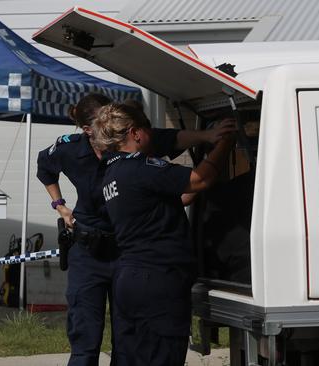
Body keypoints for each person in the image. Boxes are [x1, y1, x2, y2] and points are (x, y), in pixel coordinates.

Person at [36, 93, 234, 366]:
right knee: (87, 342)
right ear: (87, 129)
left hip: (125, 258)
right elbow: (198, 180)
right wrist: (60, 205)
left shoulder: (118, 165)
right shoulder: (94, 154)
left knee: (127, 348)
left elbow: (173, 141)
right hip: (105, 258)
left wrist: (207, 136)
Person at [94, 103, 236, 366]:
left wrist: (205, 150)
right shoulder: (141, 167)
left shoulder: (112, 174)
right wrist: (224, 144)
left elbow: (181, 195)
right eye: (148, 129)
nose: (153, 135)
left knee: (130, 357)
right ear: (136, 133)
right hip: (158, 279)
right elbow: (199, 180)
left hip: (129, 279)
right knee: (162, 356)